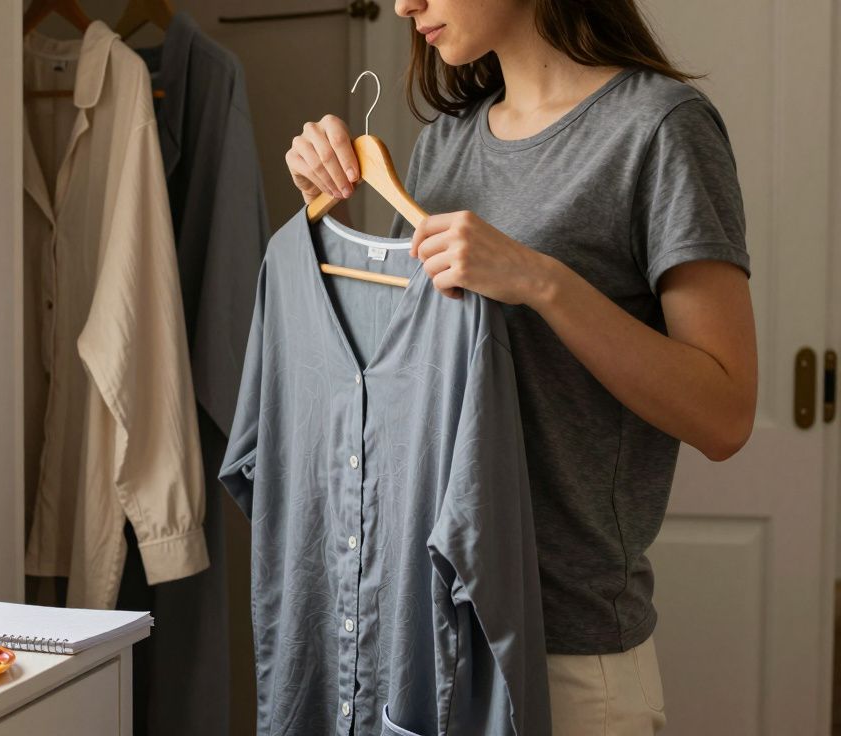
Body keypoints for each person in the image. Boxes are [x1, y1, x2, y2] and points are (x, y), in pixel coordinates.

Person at [284, 0, 756, 733]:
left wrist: (544, 282)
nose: (405, 3)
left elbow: (726, 414)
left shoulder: (661, 129)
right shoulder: (443, 148)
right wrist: (324, 209)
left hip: (570, 655)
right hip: (429, 639)